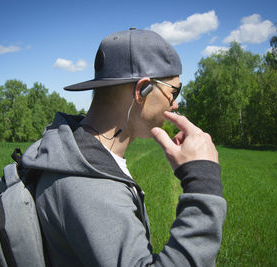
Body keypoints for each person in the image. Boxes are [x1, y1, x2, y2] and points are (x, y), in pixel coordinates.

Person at [21, 28, 226, 266]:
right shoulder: (90, 188)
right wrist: (204, 183)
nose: (177, 104)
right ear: (141, 90)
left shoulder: (73, 150)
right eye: (174, 91)